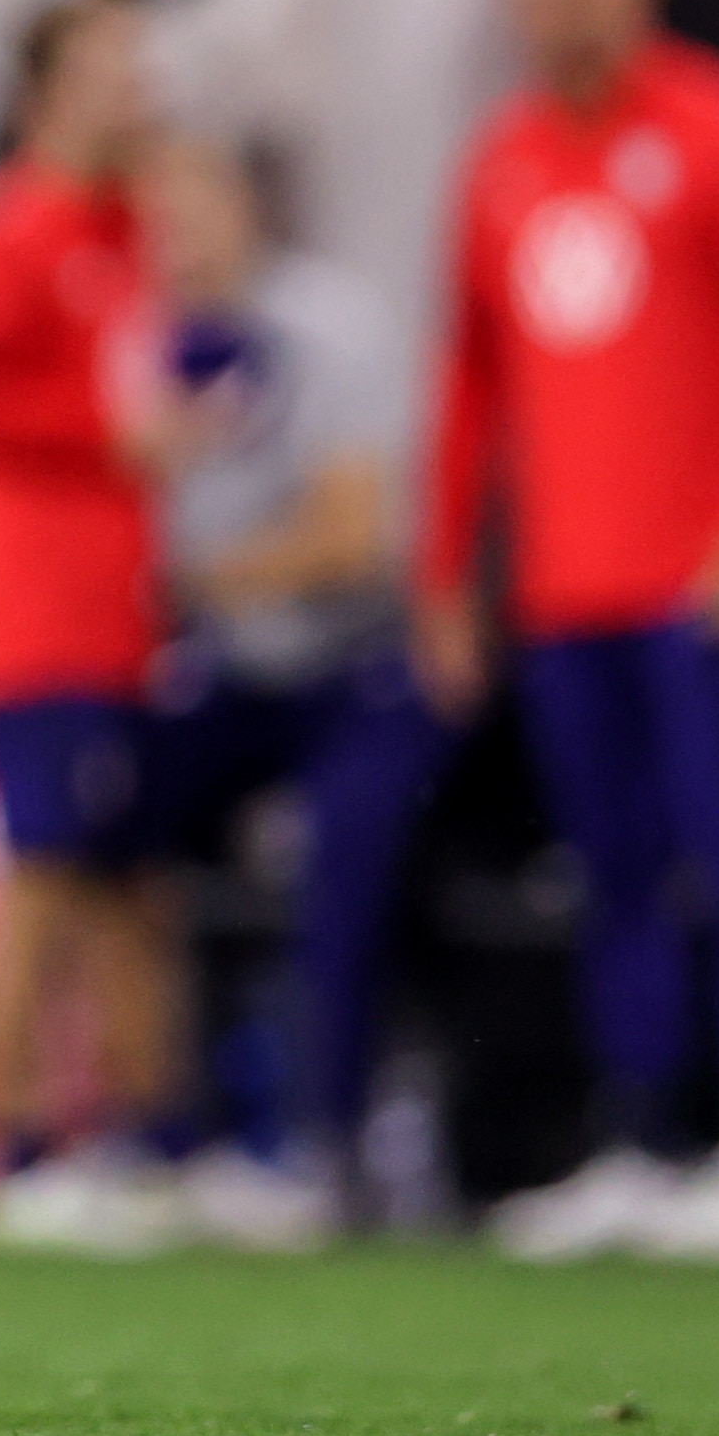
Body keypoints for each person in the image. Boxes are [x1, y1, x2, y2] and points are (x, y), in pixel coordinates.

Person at [418, 0, 719, 1263]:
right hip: (567, 587)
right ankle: (644, 1136)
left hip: (701, 580)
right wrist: (444, 576)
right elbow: (468, 386)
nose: (554, 1)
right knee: (610, 872)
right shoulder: (503, 163)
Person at [130, 129, 451, 1248]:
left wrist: (177, 571)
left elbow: (354, 538)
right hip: (225, 669)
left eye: (195, 201)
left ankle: (325, 1140)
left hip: (353, 668)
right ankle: (144, 1137)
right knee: (91, 823)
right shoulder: (131, 341)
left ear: (248, 207)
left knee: (344, 855)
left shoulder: (327, 328)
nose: (175, 230)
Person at [0, 0, 186, 1254]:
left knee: (126, 885)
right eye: (105, 68)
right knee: (35, 881)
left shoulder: (128, 230)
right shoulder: (13, 235)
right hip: (32, 611)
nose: (131, 89)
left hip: (120, 612)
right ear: (44, 92)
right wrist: (113, 437)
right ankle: (16, 1151)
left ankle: (130, 1143)